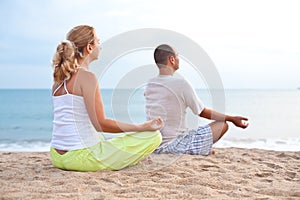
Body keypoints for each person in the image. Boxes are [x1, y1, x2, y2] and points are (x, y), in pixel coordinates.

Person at [50, 25, 162, 172]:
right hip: (81, 158)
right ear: (89, 47)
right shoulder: (87, 78)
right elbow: (101, 124)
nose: (100, 47)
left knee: (101, 139)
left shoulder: (58, 81)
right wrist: (142, 127)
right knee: (154, 137)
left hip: (57, 156)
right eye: (98, 41)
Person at [144, 44, 248, 155]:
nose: (179, 59)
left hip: (154, 145)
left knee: (189, 132)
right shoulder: (181, 84)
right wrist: (232, 118)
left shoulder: (150, 84)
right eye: (178, 56)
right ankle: (201, 149)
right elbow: (203, 112)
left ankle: (202, 148)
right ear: (172, 59)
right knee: (223, 124)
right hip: (175, 146)